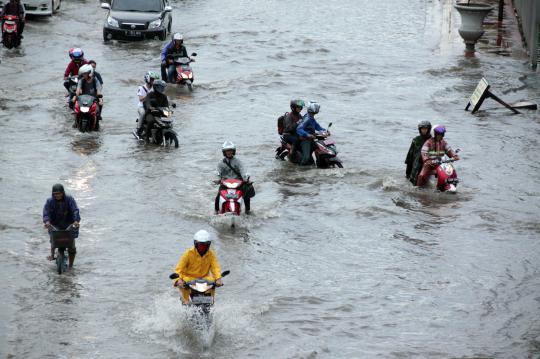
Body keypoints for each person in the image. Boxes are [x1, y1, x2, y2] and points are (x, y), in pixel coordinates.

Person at [172, 230, 223, 305]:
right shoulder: (188, 254)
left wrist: (218, 279)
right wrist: (178, 280)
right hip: (189, 280)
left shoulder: (211, 254)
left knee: (212, 283)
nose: (202, 248)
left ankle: (210, 305)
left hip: (204, 280)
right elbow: (179, 269)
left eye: (205, 246)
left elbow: (215, 267)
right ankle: (186, 304)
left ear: (208, 245)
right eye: (200, 245)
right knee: (186, 299)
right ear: (196, 244)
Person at [43, 184, 80, 267]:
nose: (57, 195)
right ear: (53, 194)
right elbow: (46, 213)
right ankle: (52, 255)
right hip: (55, 224)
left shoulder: (69, 199)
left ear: (63, 193)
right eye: (55, 194)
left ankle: (71, 265)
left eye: (59, 193)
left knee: (71, 246)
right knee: (53, 241)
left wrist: (76, 220)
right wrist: (47, 222)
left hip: (68, 224)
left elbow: (75, 210)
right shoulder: (49, 201)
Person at [215, 141, 254, 214]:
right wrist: (218, 179)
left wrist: (246, 179)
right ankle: (216, 211)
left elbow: (243, 171)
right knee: (218, 196)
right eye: (227, 151)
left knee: (246, 196)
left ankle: (247, 211)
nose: (229, 152)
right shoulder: (221, 163)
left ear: (233, 151)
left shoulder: (238, 161)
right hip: (225, 183)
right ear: (224, 152)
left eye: (230, 150)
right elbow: (218, 172)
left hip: (238, 183)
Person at [296, 101, 326, 165]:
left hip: (311, 139)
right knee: (306, 158)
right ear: (314, 109)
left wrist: (325, 131)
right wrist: (307, 135)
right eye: (317, 108)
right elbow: (299, 129)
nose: (318, 109)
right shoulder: (307, 118)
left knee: (321, 150)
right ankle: (300, 169)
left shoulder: (311, 118)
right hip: (305, 140)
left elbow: (318, 127)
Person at [405, 120, 432, 185]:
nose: (424, 130)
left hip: (428, 163)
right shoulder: (416, 140)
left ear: (429, 129)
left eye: (426, 129)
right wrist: (407, 173)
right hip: (416, 164)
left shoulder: (432, 140)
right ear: (420, 129)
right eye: (422, 129)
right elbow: (410, 155)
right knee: (414, 184)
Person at [135, 71, 159, 138]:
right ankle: (139, 130)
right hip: (142, 106)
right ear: (147, 79)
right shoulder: (141, 88)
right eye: (151, 79)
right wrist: (148, 96)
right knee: (143, 113)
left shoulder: (154, 88)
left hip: (150, 106)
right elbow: (140, 99)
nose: (153, 81)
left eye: (153, 79)